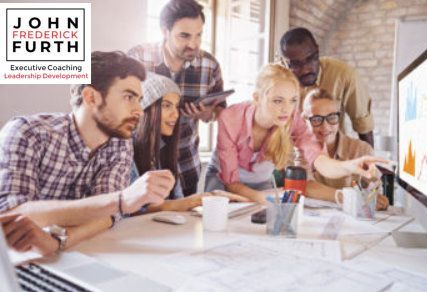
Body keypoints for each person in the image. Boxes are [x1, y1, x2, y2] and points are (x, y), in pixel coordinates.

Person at [0, 51, 175, 255]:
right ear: (91, 97)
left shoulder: (120, 143)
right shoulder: (28, 132)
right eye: (129, 97)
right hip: (14, 260)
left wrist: (58, 242)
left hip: (66, 253)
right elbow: (10, 214)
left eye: (139, 99)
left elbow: (108, 215)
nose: (139, 110)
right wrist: (120, 200)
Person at [204, 64, 385, 203]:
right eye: (277, 101)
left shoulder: (292, 119)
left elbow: (319, 160)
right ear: (257, 98)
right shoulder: (230, 118)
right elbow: (231, 183)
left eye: (292, 101)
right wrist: (264, 198)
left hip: (261, 182)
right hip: (223, 180)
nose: (286, 109)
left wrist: (350, 166)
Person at [128, 0, 224, 196]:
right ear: (165, 31)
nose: (193, 44)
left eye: (199, 35)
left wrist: (208, 114)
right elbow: (121, 106)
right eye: (184, 36)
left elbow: (219, 110)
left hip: (185, 165)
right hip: (141, 166)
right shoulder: (138, 57)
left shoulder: (210, 65)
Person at [131, 73, 248, 213]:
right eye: (167, 106)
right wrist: (202, 199)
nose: (175, 114)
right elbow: (134, 210)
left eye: (176, 106)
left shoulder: (164, 151)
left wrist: (212, 197)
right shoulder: (126, 150)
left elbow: (178, 200)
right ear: (145, 109)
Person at [279, 27, 375, 147]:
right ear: (284, 63)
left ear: (317, 51)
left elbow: (363, 126)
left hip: (333, 157)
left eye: (310, 59)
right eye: (296, 65)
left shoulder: (343, 74)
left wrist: (370, 162)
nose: (306, 70)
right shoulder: (277, 81)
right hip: (291, 158)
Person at [301, 89, 389, 210]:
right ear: (304, 120)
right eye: (316, 119)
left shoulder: (361, 149)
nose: (325, 127)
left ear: (339, 117)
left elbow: (374, 188)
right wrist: (349, 197)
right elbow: (305, 186)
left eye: (331, 117)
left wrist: (376, 198)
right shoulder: (298, 149)